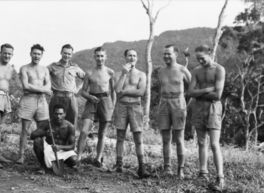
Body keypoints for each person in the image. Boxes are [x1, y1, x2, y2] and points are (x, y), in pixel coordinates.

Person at [188, 44, 226, 191]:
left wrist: (199, 92)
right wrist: (207, 89)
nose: (200, 61)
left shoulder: (219, 69)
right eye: (198, 59)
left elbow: (217, 95)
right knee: (202, 142)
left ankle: (220, 178)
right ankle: (203, 173)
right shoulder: (196, 71)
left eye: (202, 58)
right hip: (199, 108)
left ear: (210, 53)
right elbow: (190, 92)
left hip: (213, 107)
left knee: (214, 144)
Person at [156, 44, 191, 179]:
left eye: (168, 54)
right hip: (164, 103)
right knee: (165, 139)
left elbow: (193, 87)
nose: (166, 56)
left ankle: (180, 170)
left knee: (179, 139)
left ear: (175, 54)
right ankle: (167, 168)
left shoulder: (183, 70)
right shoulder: (160, 71)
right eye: (164, 54)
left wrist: (186, 103)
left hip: (178, 103)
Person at [76, 47, 116, 167]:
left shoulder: (110, 72)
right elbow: (83, 91)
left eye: (102, 56)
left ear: (105, 57)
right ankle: (78, 157)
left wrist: (112, 107)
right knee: (84, 131)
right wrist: (90, 97)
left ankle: (98, 159)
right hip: (91, 101)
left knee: (102, 133)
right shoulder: (89, 73)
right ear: (94, 57)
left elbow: (113, 91)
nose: (100, 58)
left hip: (105, 101)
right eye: (97, 56)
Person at [113, 49, 149, 178]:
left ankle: (142, 167)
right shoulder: (118, 74)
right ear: (125, 57)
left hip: (135, 106)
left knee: (138, 138)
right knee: (120, 137)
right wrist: (124, 74)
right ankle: (119, 165)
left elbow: (141, 92)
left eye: (134, 56)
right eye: (129, 56)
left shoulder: (141, 74)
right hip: (121, 106)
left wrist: (125, 91)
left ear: (137, 58)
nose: (132, 58)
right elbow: (117, 90)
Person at [16, 44, 52, 165]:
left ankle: (42, 157)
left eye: (39, 54)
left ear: (42, 55)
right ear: (30, 53)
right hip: (28, 100)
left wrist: (39, 89)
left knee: (42, 130)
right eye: (34, 53)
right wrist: (43, 90)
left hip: (42, 101)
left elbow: (49, 86)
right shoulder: (24, 68)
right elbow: (25, 86)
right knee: (25, 130)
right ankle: (21, 156)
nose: (36, 56)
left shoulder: (45, 69)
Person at [47, 44, 85, 126]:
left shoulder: (75, 67)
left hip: (70, 98)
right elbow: (43, 75)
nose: (66, 55)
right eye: (65, 53)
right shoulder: (53, 66)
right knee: (54, 121)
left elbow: (85, 78)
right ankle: (54, 138)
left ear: (71, 55)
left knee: (72, 121)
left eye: (69, 54)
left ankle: (71, 138)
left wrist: (78, 89)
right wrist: (47, 88)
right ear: (61, 53)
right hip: (56, 97)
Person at [30, 104, 77, 171]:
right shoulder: (48, 124)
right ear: (53, 114)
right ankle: (43, 166)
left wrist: (59, 147)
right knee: (37, 141)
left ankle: (61, 164)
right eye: (56, 114)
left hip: (63, 150)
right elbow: (32, 135)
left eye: (61, 114)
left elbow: (72, 146)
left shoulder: (70, 127)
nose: (58, 116)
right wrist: (45, 133)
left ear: (65, 114)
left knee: (74, 160)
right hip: (49, 150)